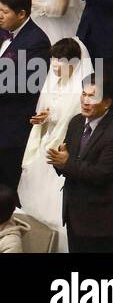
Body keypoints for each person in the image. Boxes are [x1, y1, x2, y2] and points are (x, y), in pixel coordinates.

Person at [50, 74, 113, 252]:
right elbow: (67, 157)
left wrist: (67, 163)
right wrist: (58, 161)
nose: (85, 101)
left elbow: (101, 174)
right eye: (84, 94)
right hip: (74, 213)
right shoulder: (76, 122)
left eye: (92, 96)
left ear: (107, 102)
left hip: (100, 220)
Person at [16, 38, 86, 236]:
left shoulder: (79, 90)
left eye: (61, 60)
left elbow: (71, 122)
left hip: (64, 145)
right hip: (48, 137)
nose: (55, 64)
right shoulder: (53, 81)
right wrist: (44, 118)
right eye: (53, 59)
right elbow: (49, 110)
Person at [0, 0, 49, 190]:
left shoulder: (37, 41)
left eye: (4, 12)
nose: (0, 16)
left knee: (7, 179)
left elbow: (27, 84)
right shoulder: (5, 31)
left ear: (22, 14)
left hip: (13, 122)